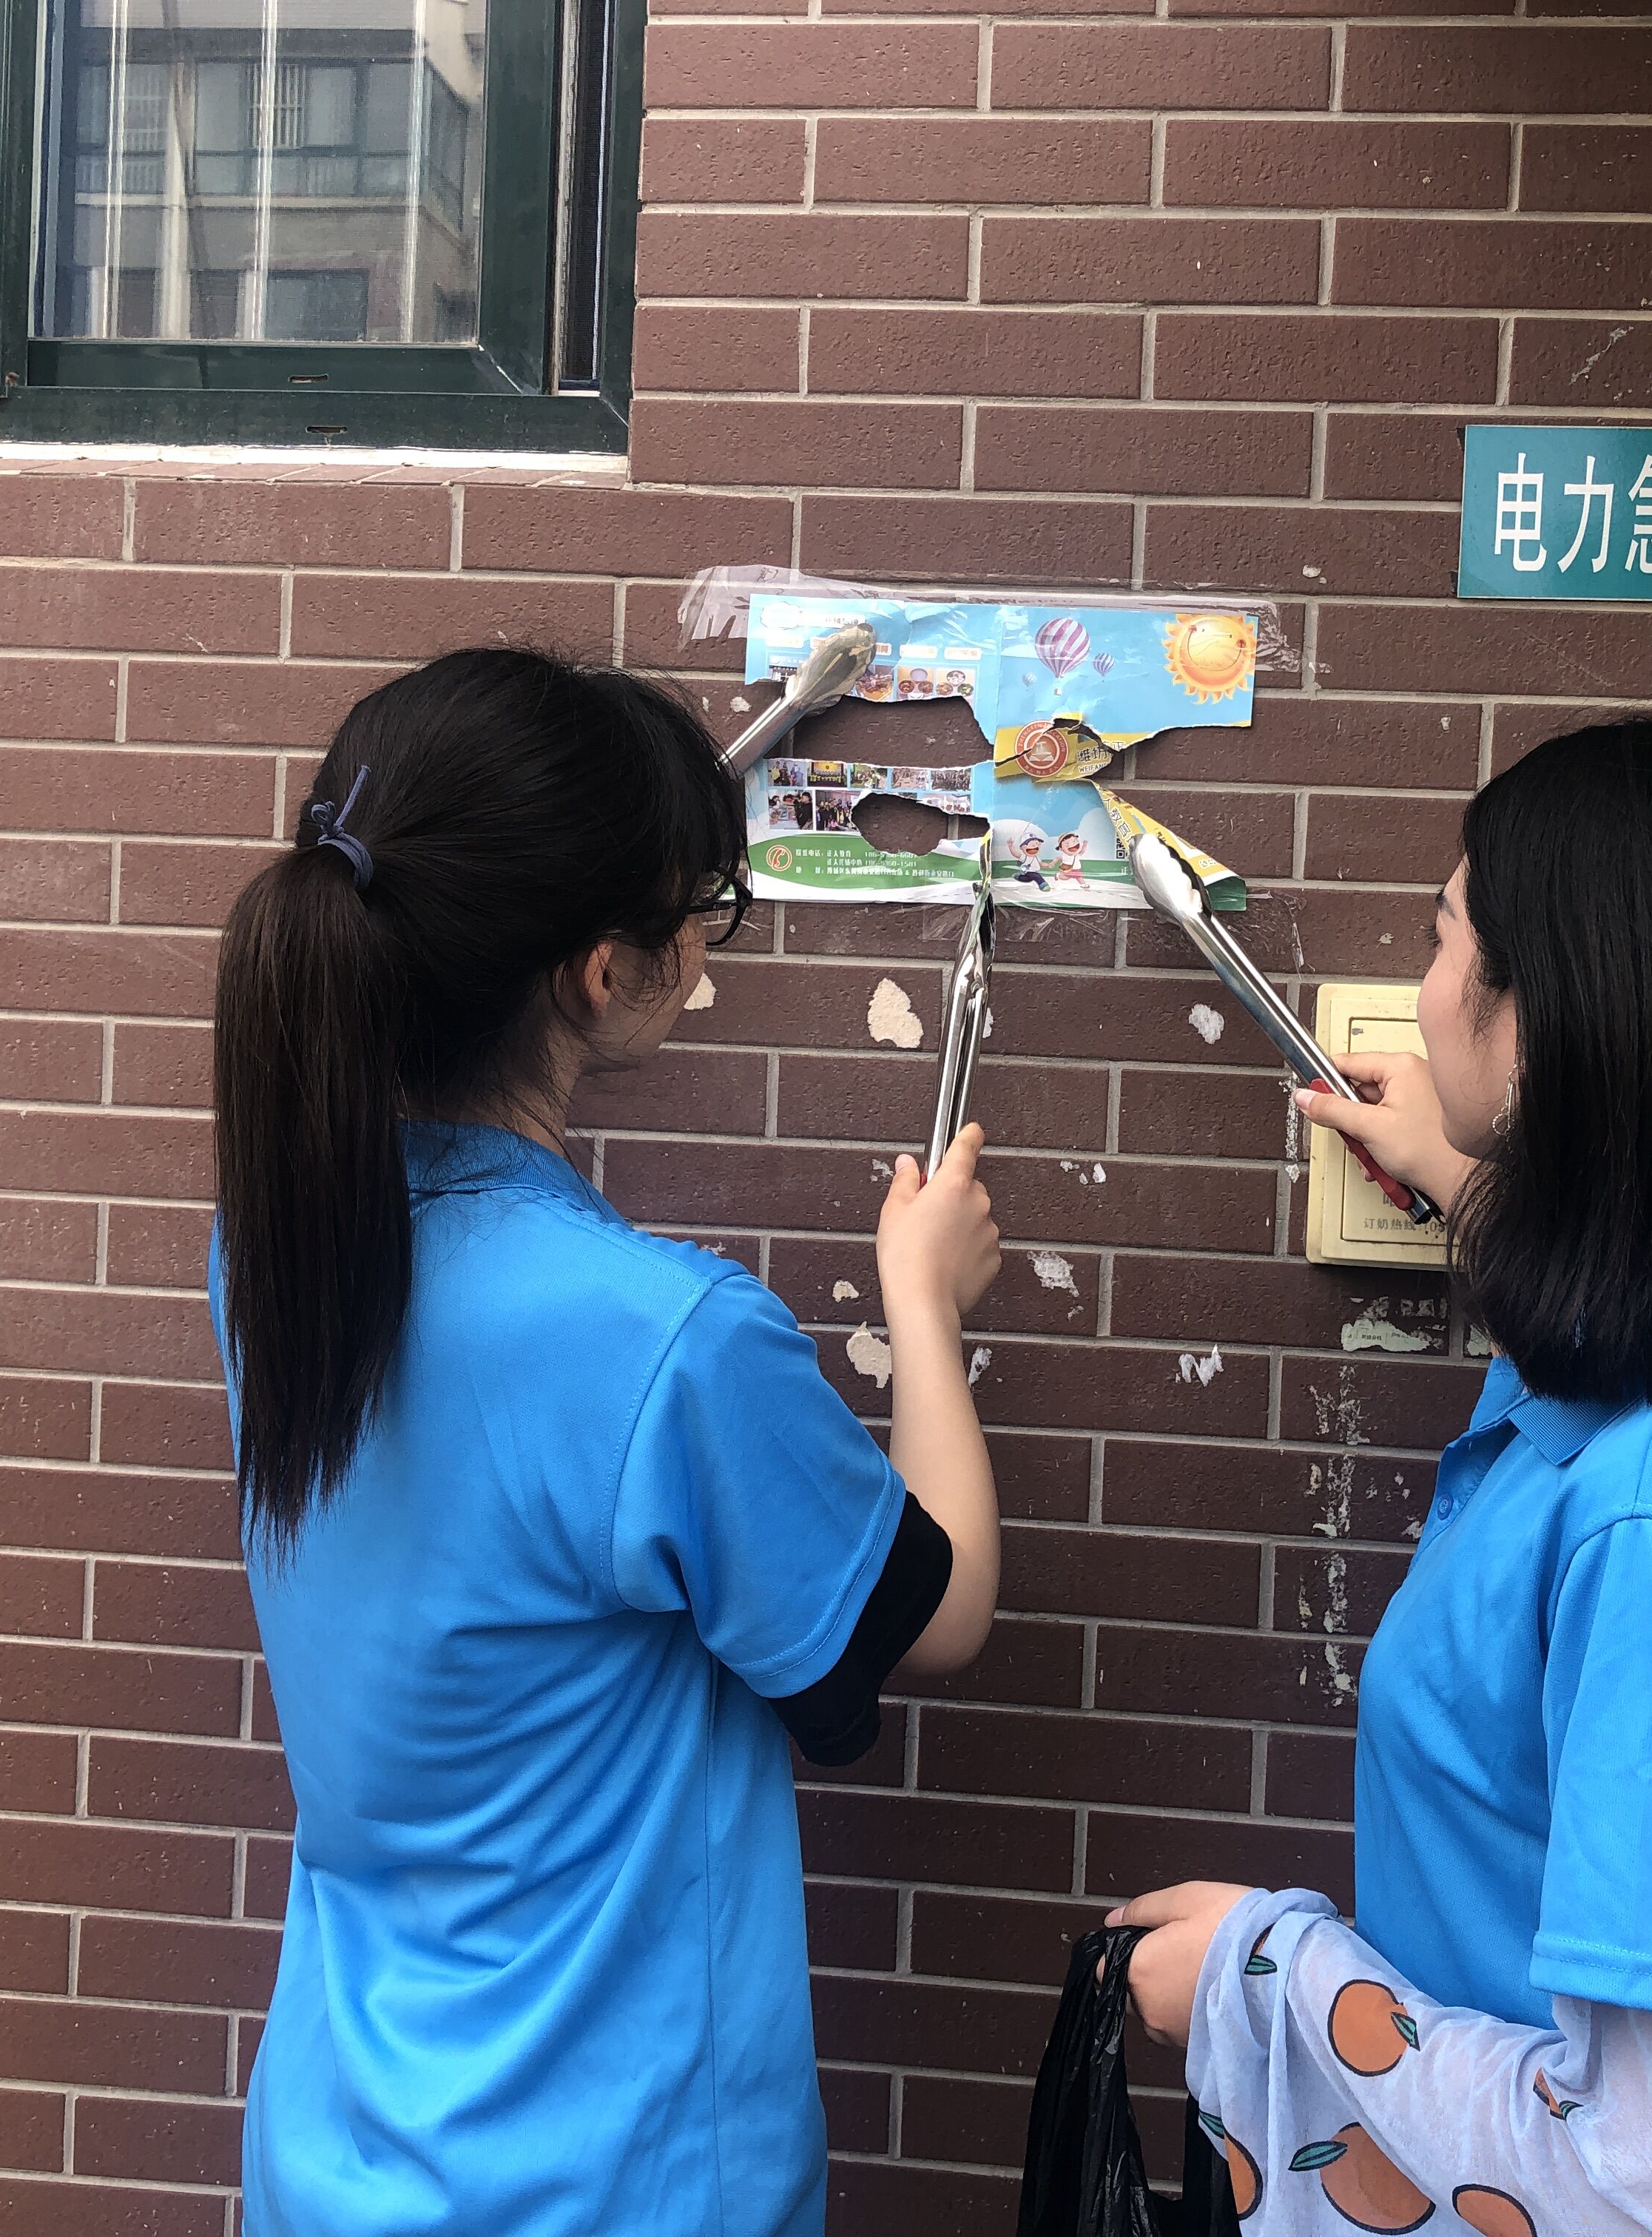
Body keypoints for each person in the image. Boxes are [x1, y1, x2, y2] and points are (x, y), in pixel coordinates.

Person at [207, 649, 1003, 2237]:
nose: (706, 939)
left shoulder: (275, 1256)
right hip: (611, 2184)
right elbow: (938, 1613)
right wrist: (924, 1306)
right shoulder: (664, 1339)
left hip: (341, 2151)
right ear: (597, 974)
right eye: (701, 909)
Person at [1114, 710, 1652, 2237]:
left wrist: (1261, 1974)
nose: (1425, 991)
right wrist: (1459, 1173)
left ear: (1550, 1021)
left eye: (1445, 937)